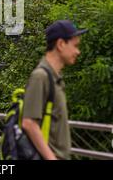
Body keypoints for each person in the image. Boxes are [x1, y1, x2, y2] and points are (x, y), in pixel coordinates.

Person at [22, 20, 88, 160]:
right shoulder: (40, 77)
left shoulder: (55, 78)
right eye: (75, 46)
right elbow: (29, 123)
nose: (78, 51)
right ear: (60, 44)